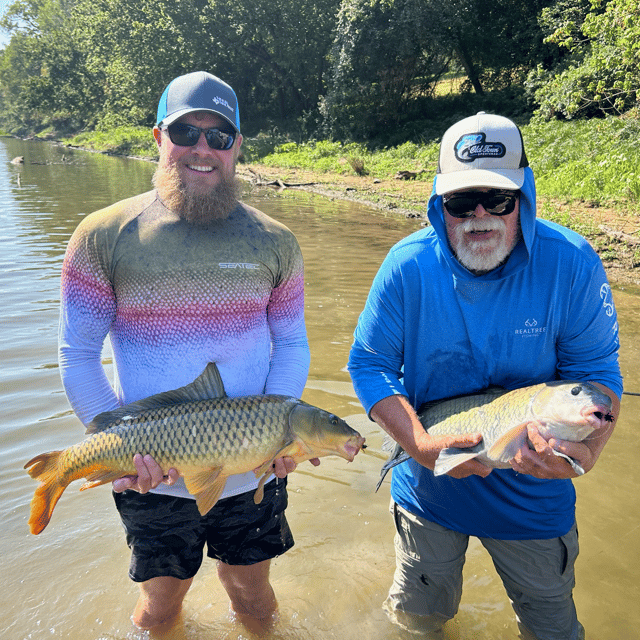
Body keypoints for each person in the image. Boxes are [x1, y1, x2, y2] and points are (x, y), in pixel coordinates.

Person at [348, 112, 622, 639]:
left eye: (498, 200)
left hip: (535, 501)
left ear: (524, 196)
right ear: (438, 204)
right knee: (415, 623)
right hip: (430, 488)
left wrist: (591, 448)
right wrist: (421, 445)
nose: (480, 215)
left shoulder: (574, 265)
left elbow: (596, 376)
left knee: (553, 630)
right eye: (460, 201)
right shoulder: (406, 266)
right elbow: (369, 363)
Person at [58, 71, 313, 634]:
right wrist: (115, 447)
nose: (203, 149)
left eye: (220, 136)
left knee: (253, 598)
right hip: (150, 471)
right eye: (186, 132)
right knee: (161, 606)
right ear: (158, 138)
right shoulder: (103, 234)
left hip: (253, 471)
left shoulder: (275, 241)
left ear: (238, 147)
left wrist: (281, 432)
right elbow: (78, 353)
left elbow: (292, 342)